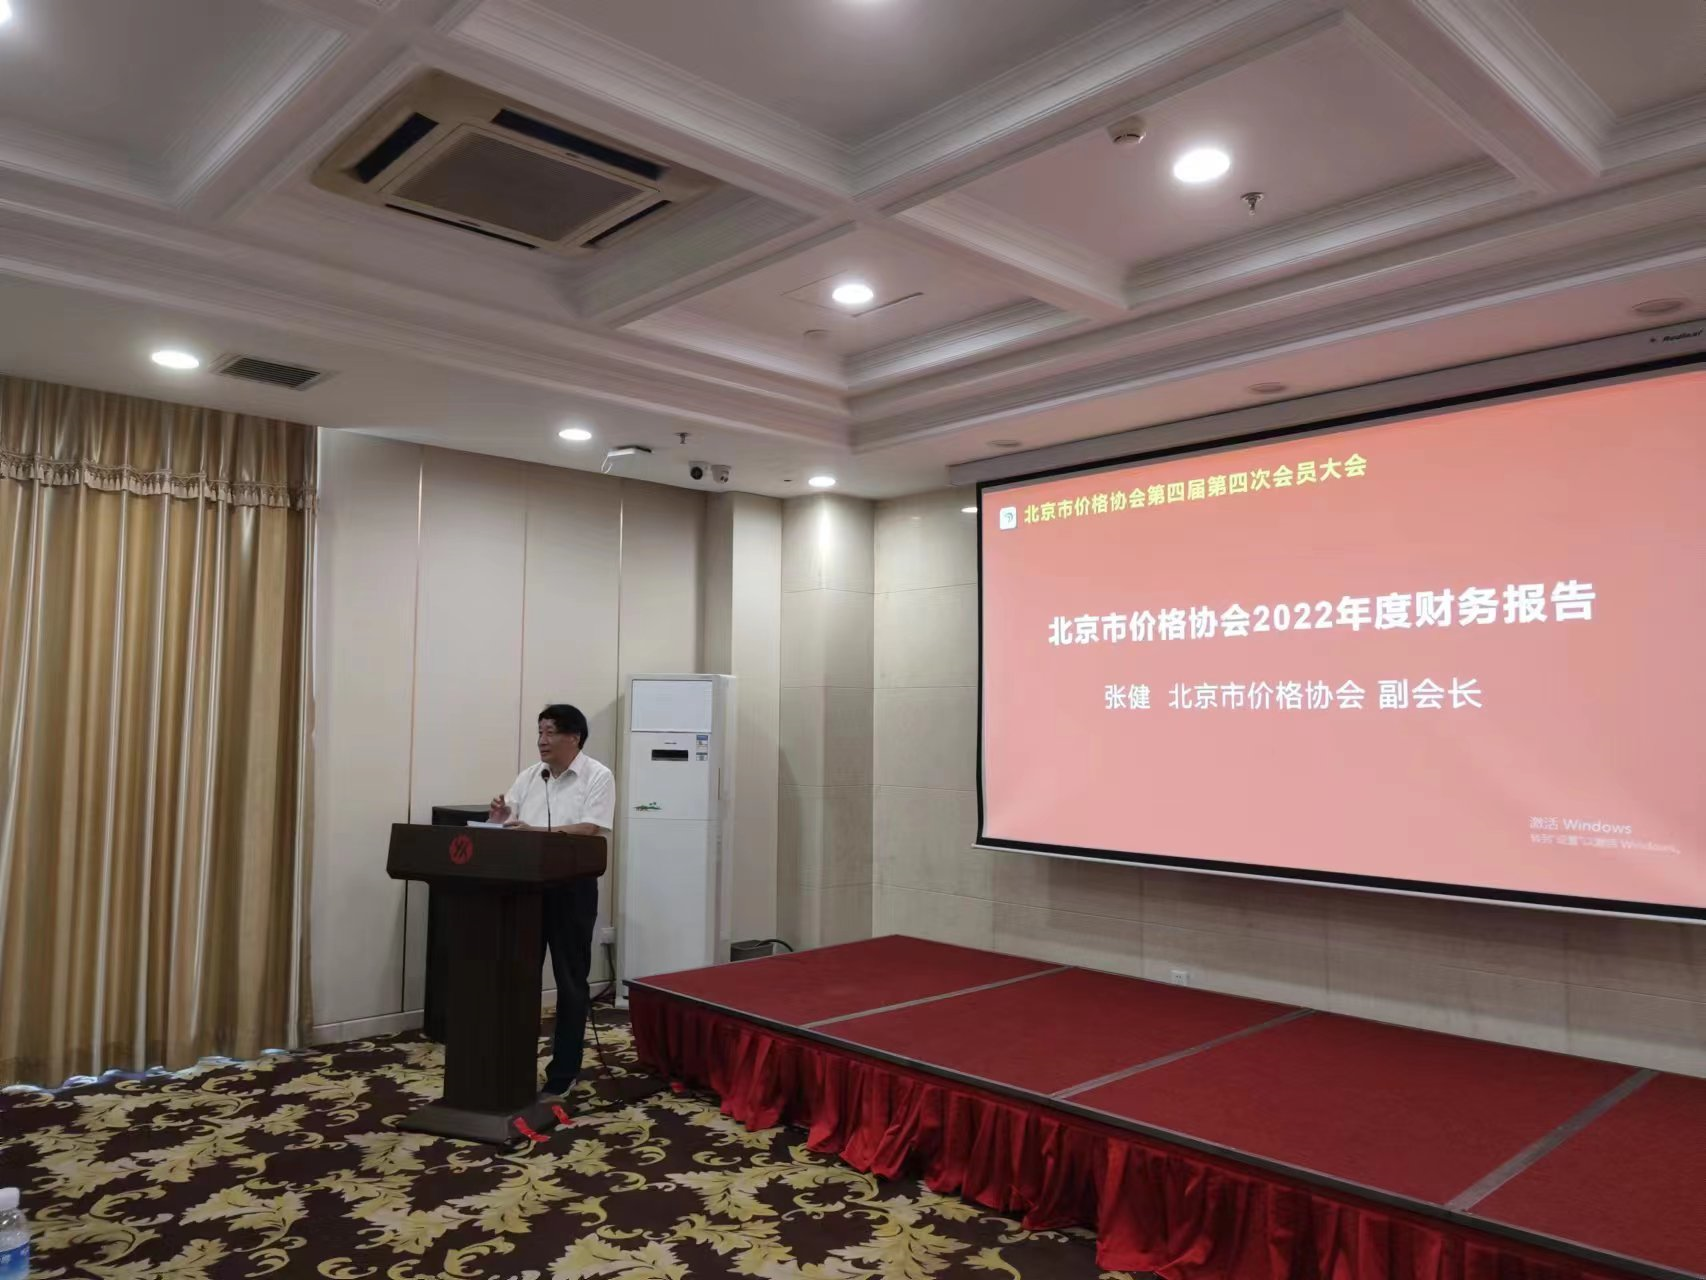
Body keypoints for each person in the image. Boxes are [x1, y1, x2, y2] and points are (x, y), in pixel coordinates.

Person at [489, 703, 615, 1103]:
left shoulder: (598, 775)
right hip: (527, 889)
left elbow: (590, 827)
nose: (542, 741)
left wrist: (537, 833)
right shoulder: (531, 776)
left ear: (573, 737)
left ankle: (564, 1071)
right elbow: (511, 825)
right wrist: (498, 819)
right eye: (539, 732)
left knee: (570, 981)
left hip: (572, 890)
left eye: (550, 732)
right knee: (518, 978)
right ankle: (511, 1065)